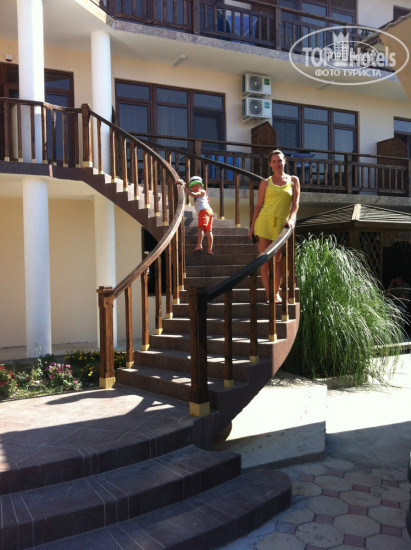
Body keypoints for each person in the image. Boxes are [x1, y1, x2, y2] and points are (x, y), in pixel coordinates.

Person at [248, 149, 300, 303]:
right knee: (264, 261)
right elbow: (259, 206)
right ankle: (269, 294)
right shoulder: (265, 182)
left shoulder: (293, 180)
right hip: (264, 223)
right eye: (274, 161)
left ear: (284, 161)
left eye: (280, 160)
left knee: (277, 261)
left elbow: (295, 203)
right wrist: (252, 226)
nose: (277, 164)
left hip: (281, 224)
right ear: (270, 164)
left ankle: (276, 293)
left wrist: (292, 219)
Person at [180, 175, 214, 255]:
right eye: (193, 186)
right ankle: (209, 249)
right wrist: (183, 183)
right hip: (208, 211)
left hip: (204, 211)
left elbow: (192, 194)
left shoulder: (202, 192)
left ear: (201, 186)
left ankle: (199, 245)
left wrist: (183, 188)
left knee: (200, 228)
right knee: (208, 231)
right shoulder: (197, 191)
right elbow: (190, 191)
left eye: (197, 186)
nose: (195, 188)